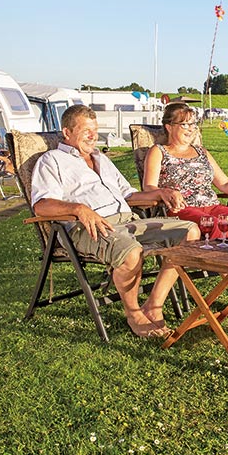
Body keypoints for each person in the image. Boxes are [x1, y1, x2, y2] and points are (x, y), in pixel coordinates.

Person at [30, 105, 199, 339]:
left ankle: (154, 304)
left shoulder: (101, 158)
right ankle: (134, 314)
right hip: (89, 227)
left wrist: (161, 193)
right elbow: (41, 205)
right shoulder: (52, 160)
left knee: (190, 232)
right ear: (67, 132)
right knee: (131, 252)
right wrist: (79, 209)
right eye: (86, 130)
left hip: (128, 220)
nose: (93, 135)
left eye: (95, 129)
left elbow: (128, 195)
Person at [142, 102, 228, 324]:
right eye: (185, 124)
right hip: (183, 210)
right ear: (169, 126)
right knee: (215, 228)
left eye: (193, 124)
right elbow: (148, 187)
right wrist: (165, 192)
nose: (190, 129)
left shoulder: (201, 152)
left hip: (212, 206)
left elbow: (225, 183)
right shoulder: (159, 152)